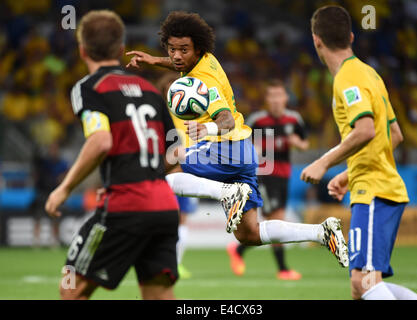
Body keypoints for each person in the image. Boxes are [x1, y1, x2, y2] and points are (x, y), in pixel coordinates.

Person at [126, 11, 349, 267]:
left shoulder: (204, 81)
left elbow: (226, 120)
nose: (176, 55)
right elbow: (179, 62)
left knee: (166, 164)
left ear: (197, 48)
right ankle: (322, 233)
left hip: (226, 148)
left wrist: (208, 130)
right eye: (171, 48)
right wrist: (155, 60)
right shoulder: (206, 60)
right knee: (249, 234)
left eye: (183, 50)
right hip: (242, 153)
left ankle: (227, 192)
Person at [45, 10, 182, 300]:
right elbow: (174, 153)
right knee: (159, 296)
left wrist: (64, 188)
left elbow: (101, 141)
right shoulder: (150, 90)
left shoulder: (89, 88)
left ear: (82, 50)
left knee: (71, 289)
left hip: (125, 205)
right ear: (121, 49)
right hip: (165, 207)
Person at [302, 5, 417, 300]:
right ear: (350, 36)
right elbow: (394, 135)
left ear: (316, 40)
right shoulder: (369, 73)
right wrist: (349, 172)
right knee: (361, 285)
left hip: (374, 191)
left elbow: (366, 130)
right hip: (373, 186)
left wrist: (324, 162)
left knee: (365, 284)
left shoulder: (348, 78)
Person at [227, 79, 309, 280]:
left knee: (269, 222)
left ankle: (238, 250)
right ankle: (283, 269)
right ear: (267, 99)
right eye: (271, 96)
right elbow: (243, 145)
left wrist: (297, 142)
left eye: (278, 96)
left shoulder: (294, 119)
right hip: (263, 175)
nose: (275, 100)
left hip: (284, 176)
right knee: (276, 219)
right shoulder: (257, 120)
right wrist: (254, 151)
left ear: (285, 98)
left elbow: (304, 144)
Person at [156, 72, 200, 279]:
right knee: (168, 221)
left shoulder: (192, 114)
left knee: (182, 221)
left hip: (189, 173)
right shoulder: (160, 116)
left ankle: (176, 263)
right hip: (167, 173)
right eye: (171, 91)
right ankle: (164, 261)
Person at [32, 142, 68, 247]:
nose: (53, 151)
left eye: (55, 149)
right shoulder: (44, 162)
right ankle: (36, 241)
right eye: (51, 149)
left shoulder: (62, 163)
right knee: (38, 216)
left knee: (55, 217)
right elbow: (36, 164)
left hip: (55, 193)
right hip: (42, 192)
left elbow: (65, 175)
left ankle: (55, 240)